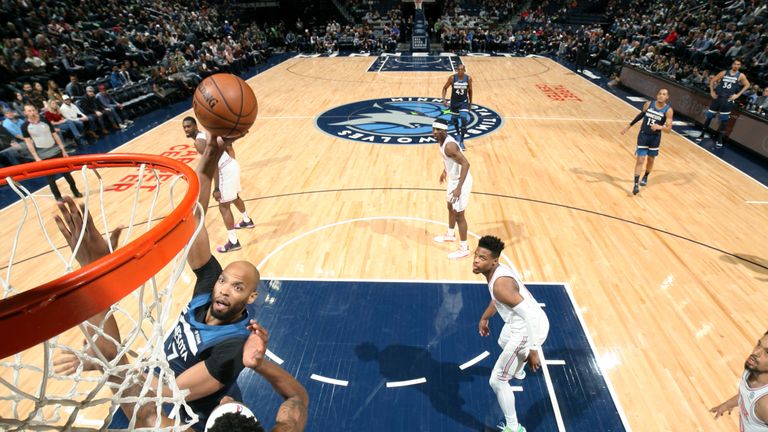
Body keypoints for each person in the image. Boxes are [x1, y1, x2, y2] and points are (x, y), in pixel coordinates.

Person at [52, 133, 307, 431]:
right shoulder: (211, 288)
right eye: (226, 281)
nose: (224, 288)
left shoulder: (232, 348)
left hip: (185, 397)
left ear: (251, 297)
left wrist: (96, 276)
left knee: (137, 405)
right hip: (168, 379)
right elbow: (194, 218)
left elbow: (164, 393)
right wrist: (210, 155)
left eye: (237, 287)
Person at [473, 235, 549, 432]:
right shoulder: (496, 275)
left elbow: (530, 316)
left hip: (528, 328)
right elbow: (498, 301)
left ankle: (514, 428)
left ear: (494, 261)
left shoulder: (500, 285)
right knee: (502, 340)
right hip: (522, 323)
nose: (475, 260)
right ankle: (517, 369)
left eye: (482, 258)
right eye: (475, 255)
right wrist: (485, 317)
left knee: (497, 381)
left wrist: (533, 350)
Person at [183, 117, 254, 253]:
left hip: (223, 170)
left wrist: (216, 188)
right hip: (231, 165)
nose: (186, 129)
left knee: (223, 206)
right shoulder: (204, 136)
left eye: (188, 126)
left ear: (195, 126)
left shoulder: (199, 142)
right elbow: (226, 147)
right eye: (184, 127)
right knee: (234, 197)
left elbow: (213, 163)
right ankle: (246, 220)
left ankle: (233, 242)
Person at [20, 104, 81, 201]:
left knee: (66, 173)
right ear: (25, 113)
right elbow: (29, 143)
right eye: (29, 111)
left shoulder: (45, 120)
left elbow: (55, 135)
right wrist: (36, 157)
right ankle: (58, 197)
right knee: (50, 178)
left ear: (36, 110)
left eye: (33, 110)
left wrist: (63, 150)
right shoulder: (24, 126)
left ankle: (75, 191)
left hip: (56, 151)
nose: (32, 112)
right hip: (42, 154)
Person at [431, 118, 472, 259]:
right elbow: (449, 160)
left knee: (459, 214)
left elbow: (466, 164)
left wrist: (459, 188)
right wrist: (445, 171)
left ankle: (464, 248)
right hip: (453, 179)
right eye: (433, 129)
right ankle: (450, 234)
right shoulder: (441, 142)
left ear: (445, 131)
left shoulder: (449, 146)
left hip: (461, 181)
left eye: (438, 130)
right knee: (450, 206)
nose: (434, 132)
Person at [710, 331, 768, 431]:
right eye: (759, 344)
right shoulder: (752, 368)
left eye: (767, 352)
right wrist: (727, 405)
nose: (755, 353)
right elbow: (745, 395)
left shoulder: (765, 404)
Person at [621, 88, 673, 195]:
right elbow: (640, 115)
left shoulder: (668, 110)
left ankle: (645, 176)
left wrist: (660, 127)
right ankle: (635, 185)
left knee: (650, 160)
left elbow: (668, 130)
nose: (661, 96)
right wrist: (629, 126)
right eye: (659, 94)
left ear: (667, 97)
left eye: (664, 94)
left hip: (655, 138)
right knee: (640, 160)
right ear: (657, 95)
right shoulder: (648, 104)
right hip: (643, 135)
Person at [697, 59, 750, 148]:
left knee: (724, 121)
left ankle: (719, 139)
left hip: (728, 100)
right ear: (732, 64)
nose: (736, 66)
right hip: (718, 97)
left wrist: (737, 95)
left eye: (738, 64)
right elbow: (712, 80)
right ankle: (702, 135)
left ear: (740, 66)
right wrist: (712, 92)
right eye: (735, 64)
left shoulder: (741, 75)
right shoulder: (724, 72)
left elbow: (747, 85)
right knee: (709, 117)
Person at [441, 64, 473, 149]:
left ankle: (461, 141)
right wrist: (444, 99)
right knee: (455, 119)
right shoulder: (452, 78)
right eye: (458, 69)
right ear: (456, 70)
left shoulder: (468, 78)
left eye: (461, 69)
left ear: (464, 70)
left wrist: (470, 103)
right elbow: (444, 88)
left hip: (463, 102)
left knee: (463, 119)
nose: (460, 71)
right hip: (454, 103)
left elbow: (470, 91)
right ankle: (458, 133)